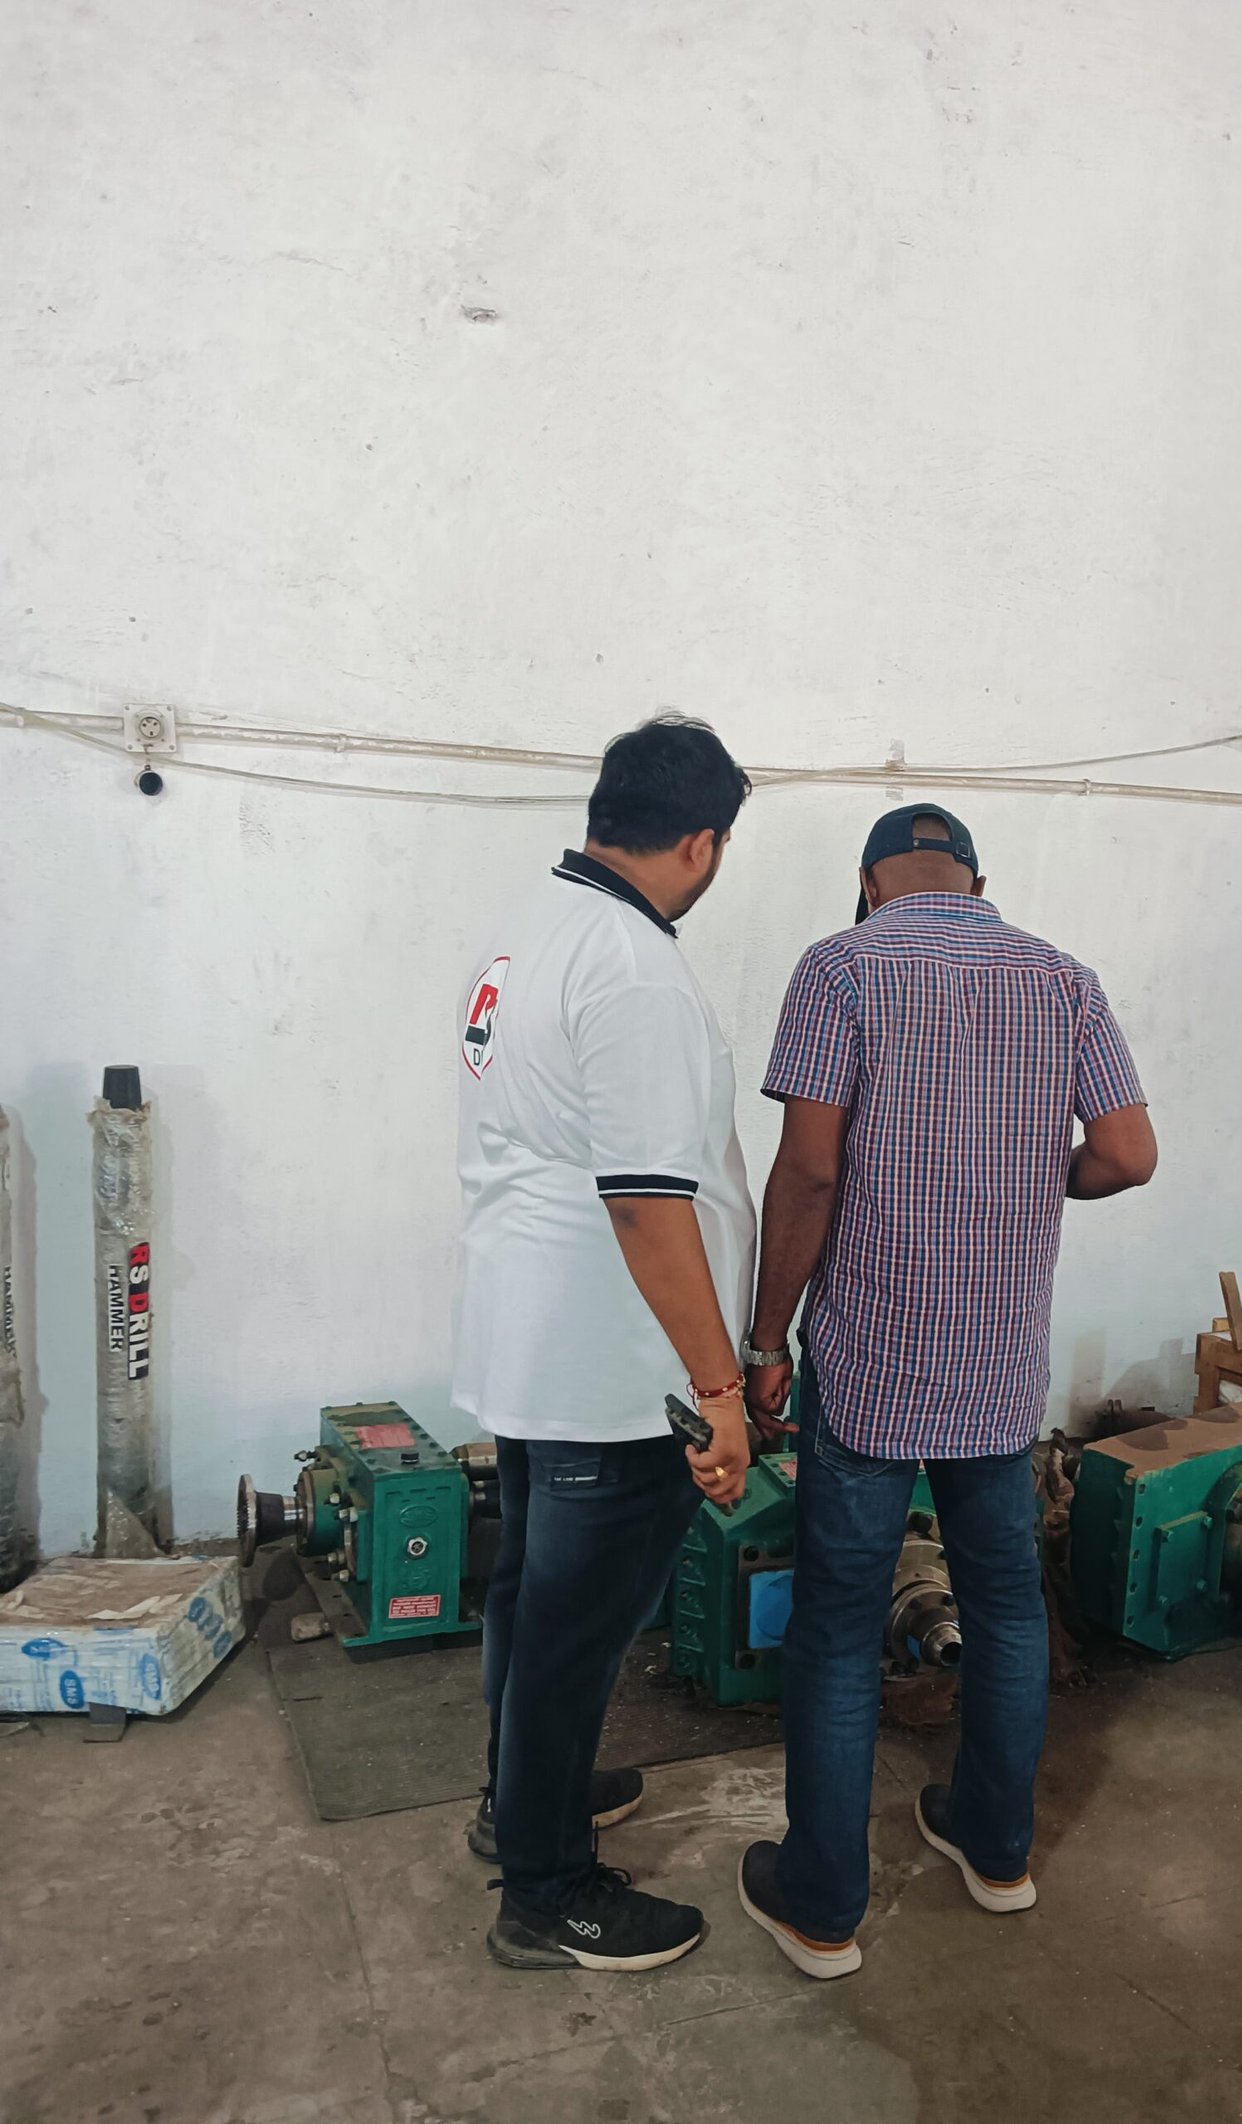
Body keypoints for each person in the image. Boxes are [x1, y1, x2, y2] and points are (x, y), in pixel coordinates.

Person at [734, 804, 1157, 1978]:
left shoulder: (839, 968)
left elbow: (809, 1172)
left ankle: (822, 1909)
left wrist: (765, 1338)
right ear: (978, 880)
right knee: (1009, 1607)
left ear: (867, 881)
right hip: (997, 1366)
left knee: (836, 1628)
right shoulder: (1064, 980)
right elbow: (1128, 1155)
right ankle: (996, 1850)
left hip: (871, 1357)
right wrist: (1028, 1177)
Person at [453, 714, 757, 1975]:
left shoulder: (530, 930)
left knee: (531, 1602)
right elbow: (644, 1202)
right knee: (572, 1633)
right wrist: (719, 1387)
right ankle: (547, 1891)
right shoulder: (631, 969)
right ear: (701, 843)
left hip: (534, 1342)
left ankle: (521, 1800)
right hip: (605, 1366)